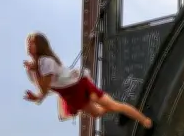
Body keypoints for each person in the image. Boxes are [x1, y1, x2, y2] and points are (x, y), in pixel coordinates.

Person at [23, 32, 153, 129]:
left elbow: (44, 89)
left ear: (40, 45)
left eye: (32, 42)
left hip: (79, 85)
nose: (29, 45)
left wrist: (37, 95)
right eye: (28, 42)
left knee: (109, 104)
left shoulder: (47, 62)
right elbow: (43, 90)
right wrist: (34, 73)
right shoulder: (31, 69)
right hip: (71, 96)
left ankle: (145, 121)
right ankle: (121, 111)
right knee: (97, 113)